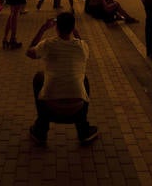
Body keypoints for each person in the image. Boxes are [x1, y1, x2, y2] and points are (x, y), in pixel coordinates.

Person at [26, 13, 99, 146]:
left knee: (39, 77)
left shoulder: (48, 44)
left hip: (51, 106)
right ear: (72, 28)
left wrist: (42, 29)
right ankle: (83, 129)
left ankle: (41, 129)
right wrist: (75, 31)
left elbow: (29, 52)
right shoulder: (82, 46)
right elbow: (82, 45)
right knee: (84, 79)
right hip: (77, 106)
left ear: (56, 28)